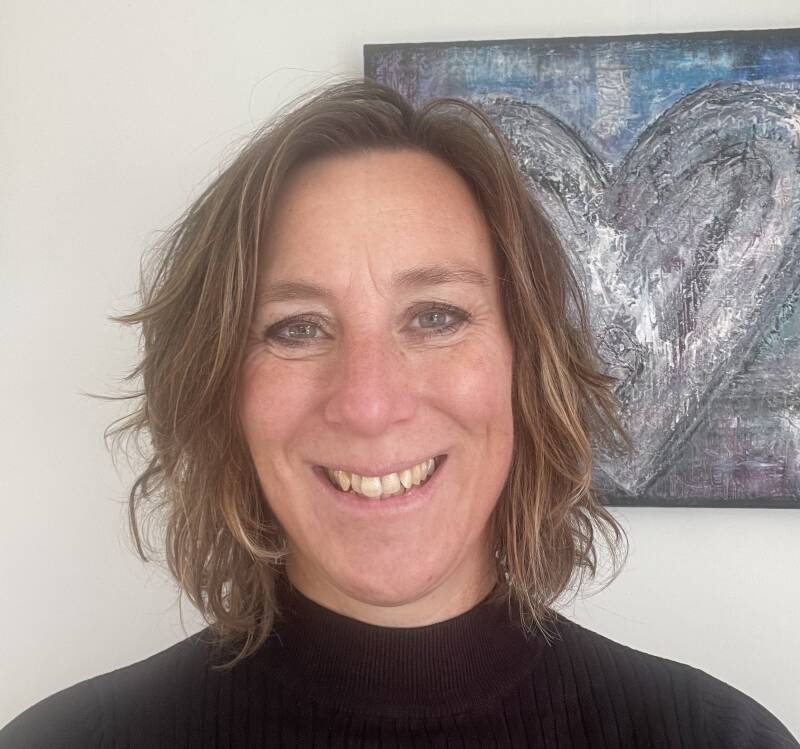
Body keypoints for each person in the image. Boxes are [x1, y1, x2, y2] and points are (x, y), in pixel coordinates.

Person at [1, 78, 796, 749]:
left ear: (525, 364)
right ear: (219, 389)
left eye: (436, 316)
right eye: (296, 328)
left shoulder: (717, 737)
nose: (370, 404)